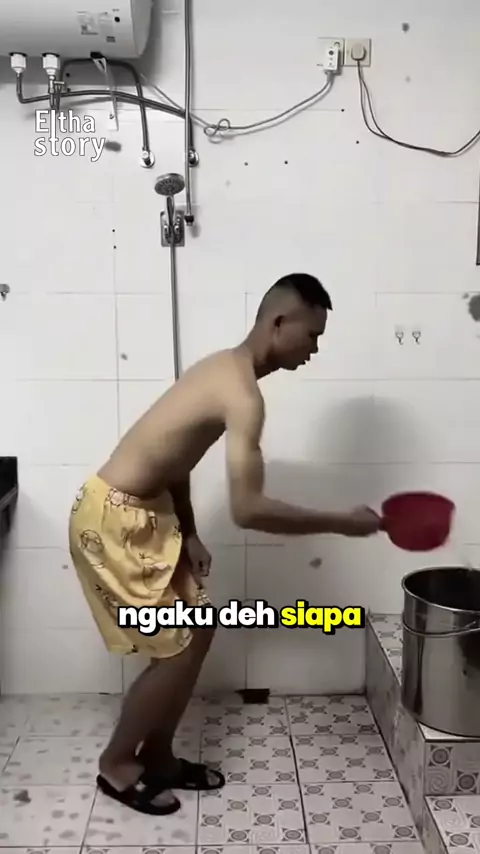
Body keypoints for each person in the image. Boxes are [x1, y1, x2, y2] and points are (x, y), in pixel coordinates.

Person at [68, 272, 381, 815]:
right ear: (279, 322)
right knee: (177, 649)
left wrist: (188, 531)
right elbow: (248, 509)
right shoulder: (241, 393)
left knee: (198, 629)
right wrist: (341, 521)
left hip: (145, 512)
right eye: (312, 335)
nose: (315, 348)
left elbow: (176, 457)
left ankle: (158, 756)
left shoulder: (222, 369)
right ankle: (117, 763)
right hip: (113, 520)